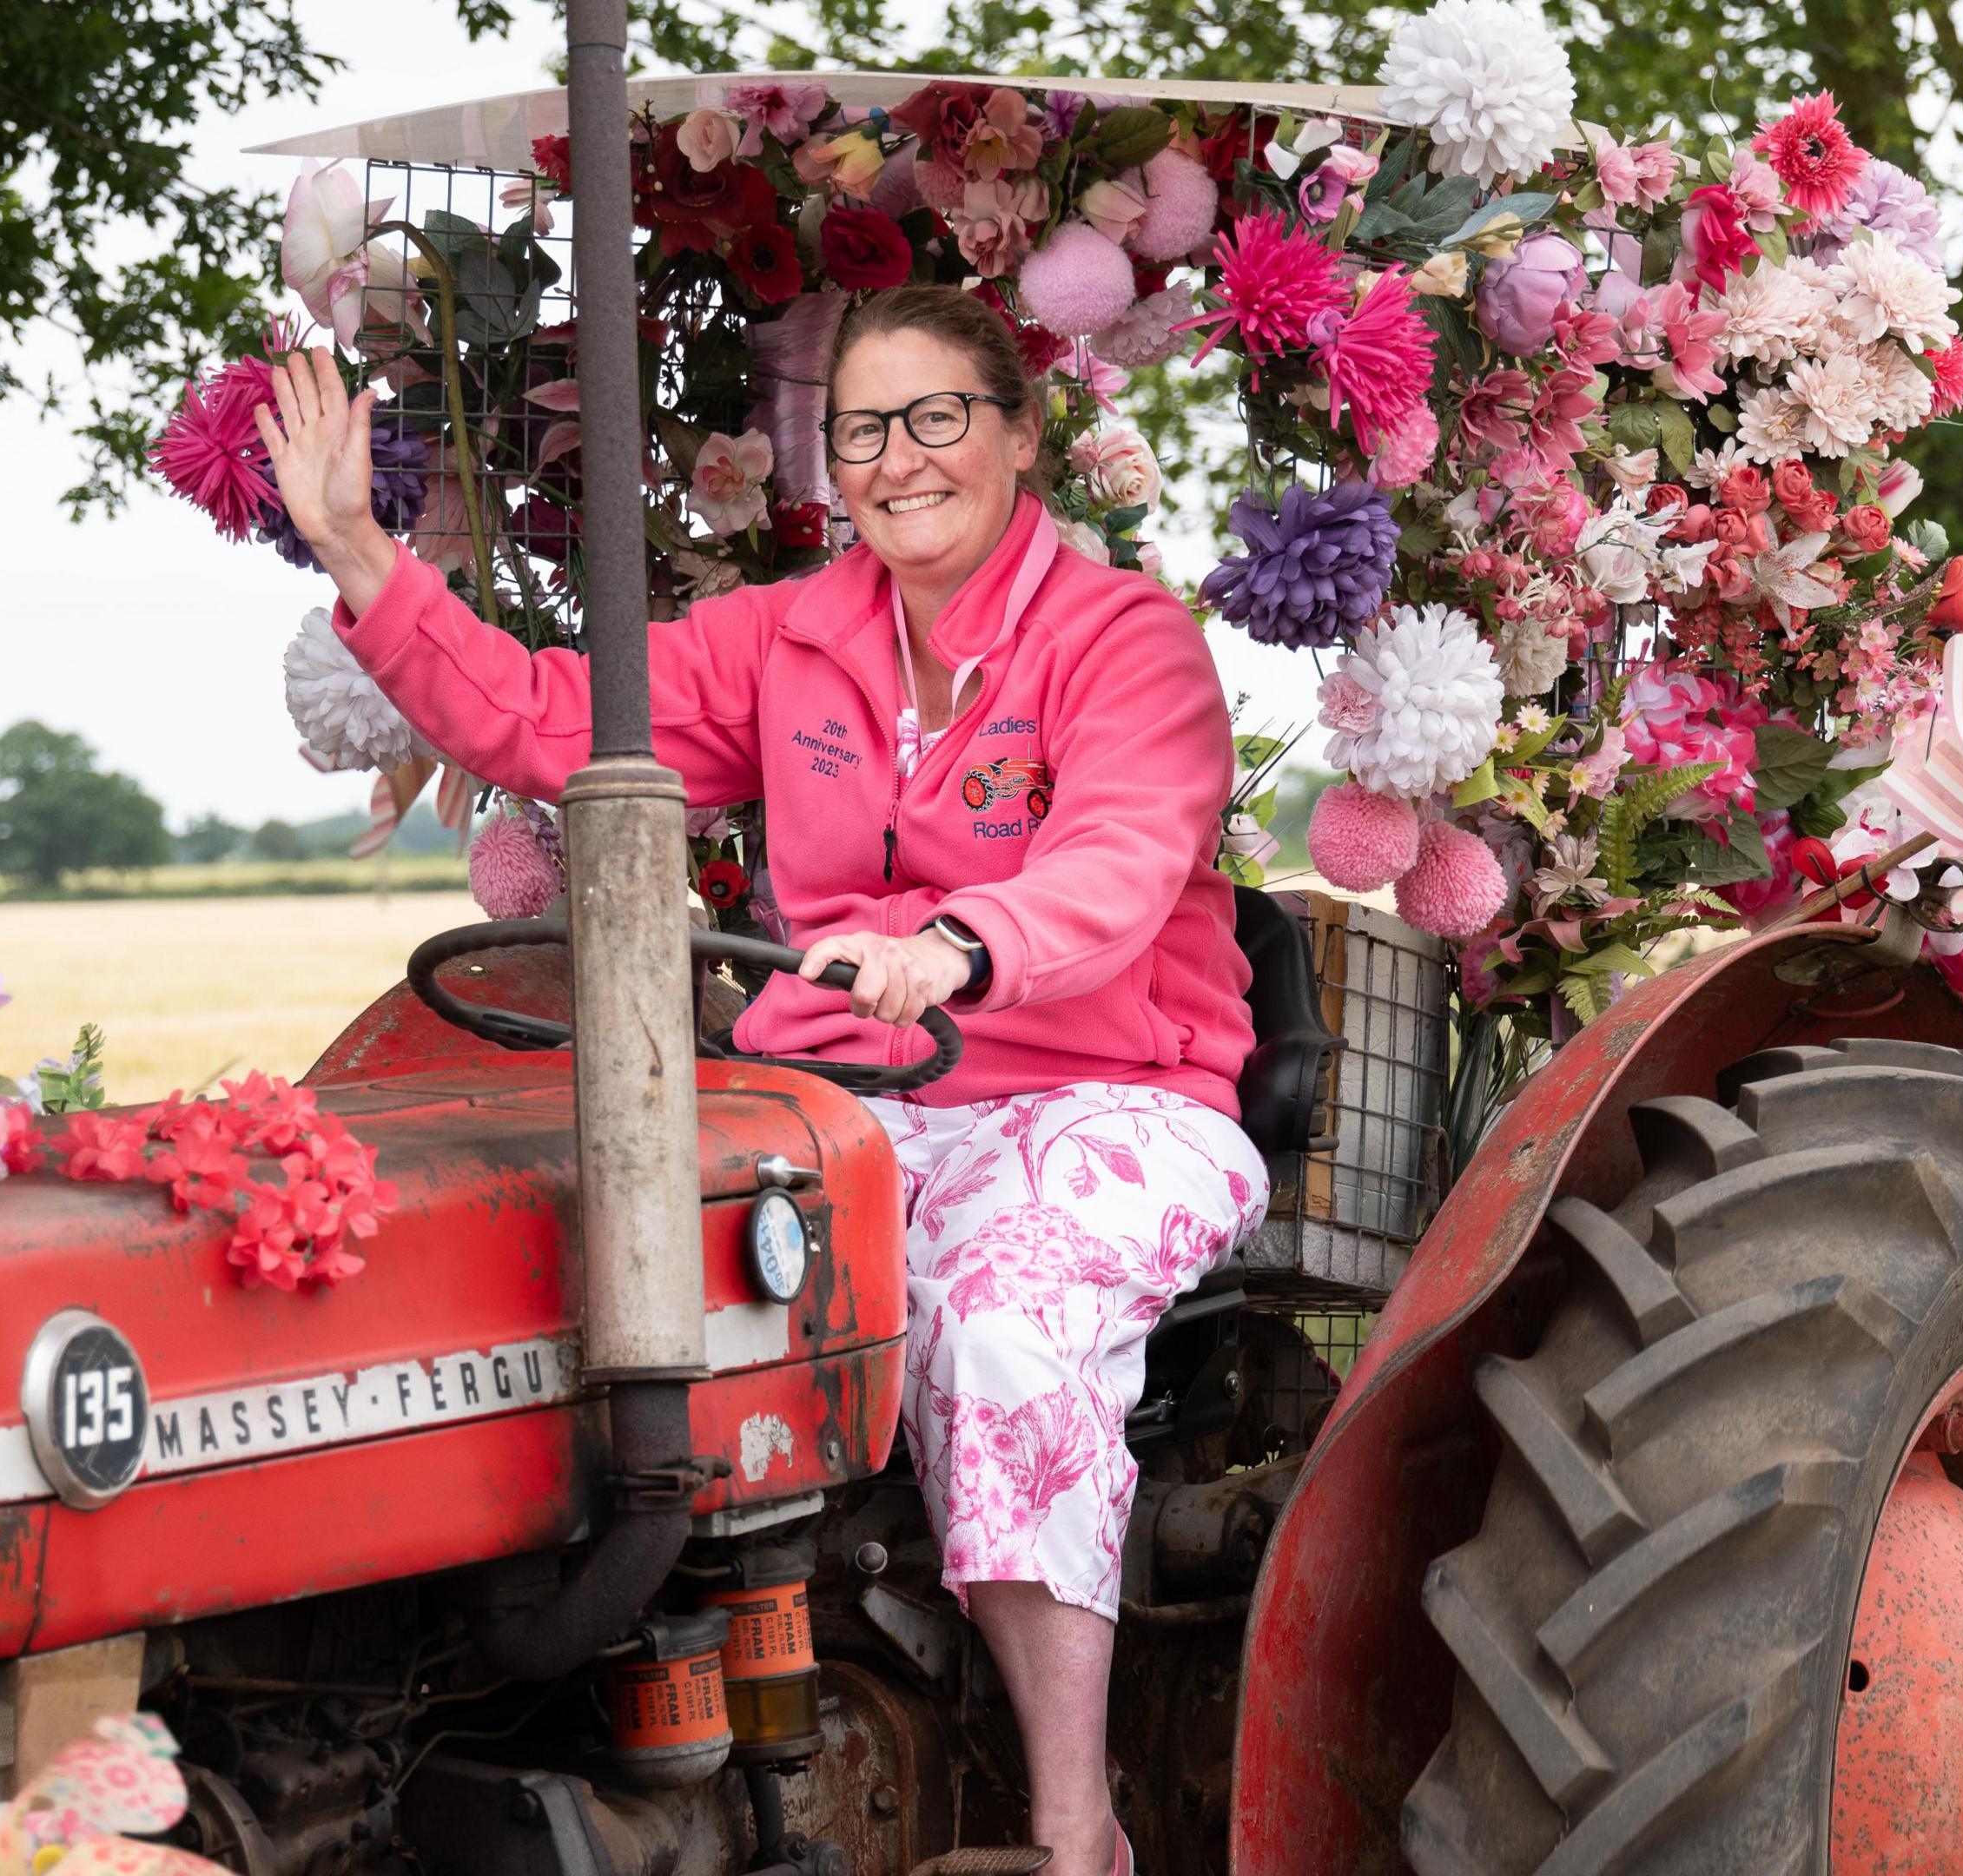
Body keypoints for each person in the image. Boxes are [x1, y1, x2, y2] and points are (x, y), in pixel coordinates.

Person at [257, 284, 1260, 1876]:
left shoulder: (1122, 641)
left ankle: (1078, 1832)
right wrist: (364, 556)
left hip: (1107, 1097)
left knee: (1002, 1326)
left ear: (1017, 434)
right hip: (847, 1107)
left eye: (939, 417)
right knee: (588, 1276)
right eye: (864, 427)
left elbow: (1123, 859)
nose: (900, 458)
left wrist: (961, 942)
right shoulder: (792, 637)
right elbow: (542, 713)